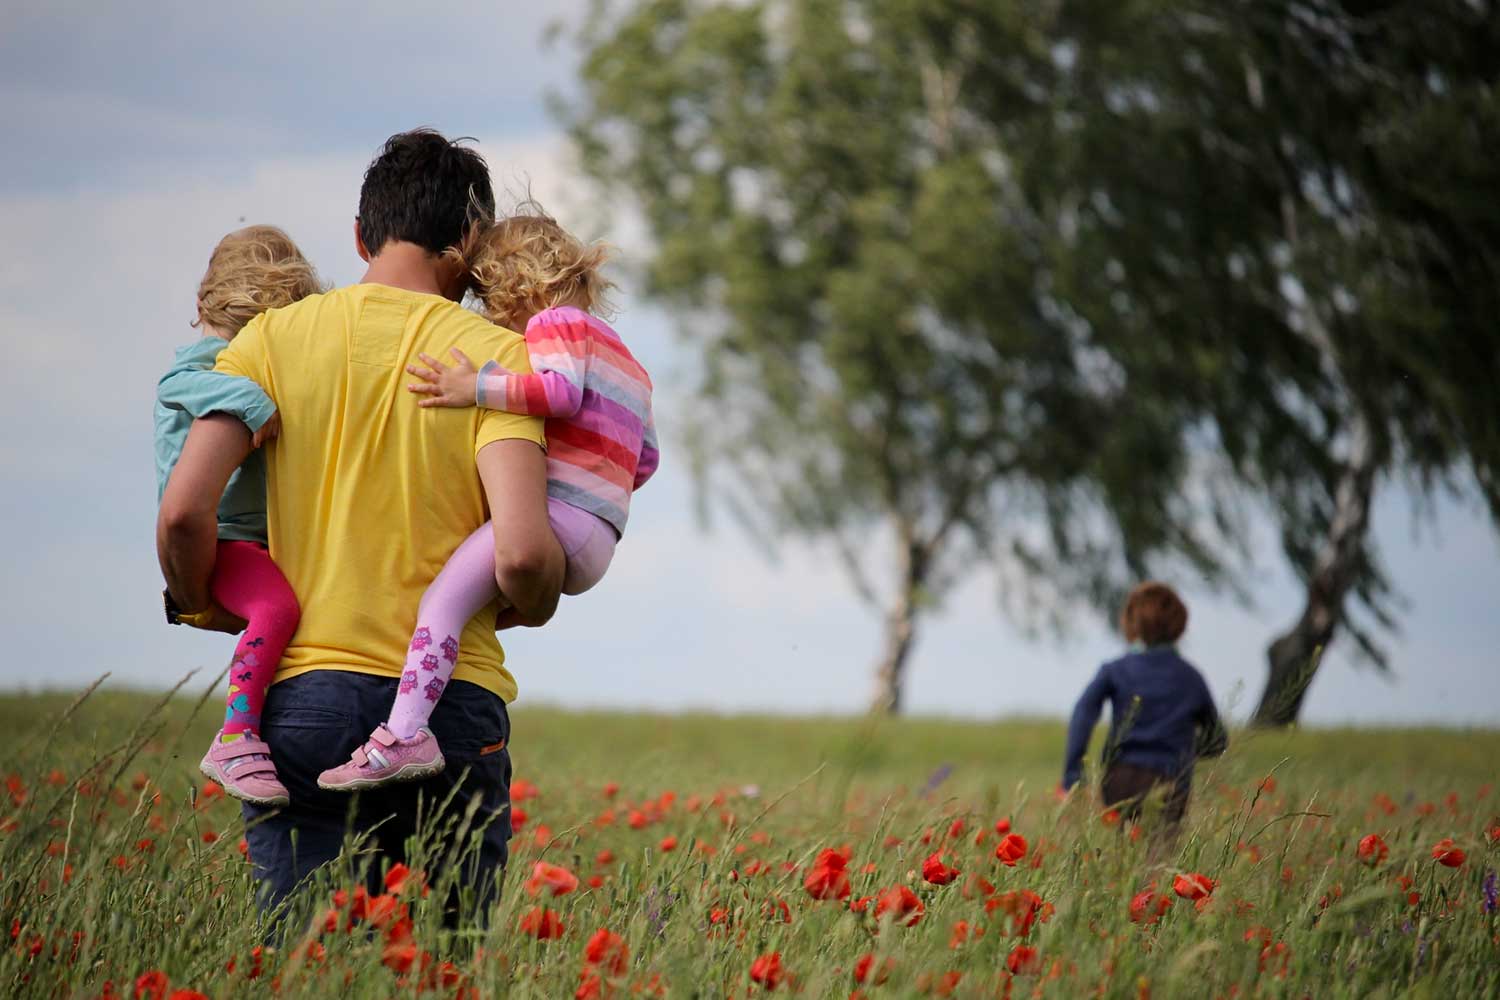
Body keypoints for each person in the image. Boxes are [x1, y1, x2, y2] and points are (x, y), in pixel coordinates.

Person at [156, 129, 565, 911]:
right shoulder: (496, 360)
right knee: (446, 965)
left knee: (309, 966)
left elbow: (182, 512)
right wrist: (535, 601)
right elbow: (520, 554)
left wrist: (202, 599)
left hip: (302, 698)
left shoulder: (266, 342)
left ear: (359, 234)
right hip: (450, 707)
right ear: (471, 241)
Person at [317, 208, 659, 791]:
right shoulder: (629, 361)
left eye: (489, 298)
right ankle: (424, 704)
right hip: (601, 535)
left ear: (516, 287)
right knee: (472, 605)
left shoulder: (555, 326)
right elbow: (645, 460)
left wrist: (472, 386)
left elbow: (557, 392)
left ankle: (404, 735)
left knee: (441, 604)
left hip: (558, 518)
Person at [154, 225, 321, 806]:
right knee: (277, 608)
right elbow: (178, 383)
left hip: (251, 539)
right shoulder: (207, 363)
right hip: (223, 539)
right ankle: (236, 735)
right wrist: (253, 401)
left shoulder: (238, 357)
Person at [1060, 582, 1228, 831]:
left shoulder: (1115, 670)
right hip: (1171, 781)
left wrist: (1073, 775)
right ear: (1179, 625)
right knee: (1159, 858)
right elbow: (1217, 740)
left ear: (1131, 622)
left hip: (1120, 779)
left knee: (1124, 854)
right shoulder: (1191, 678)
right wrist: (1183, 753)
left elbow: (1082, 714)